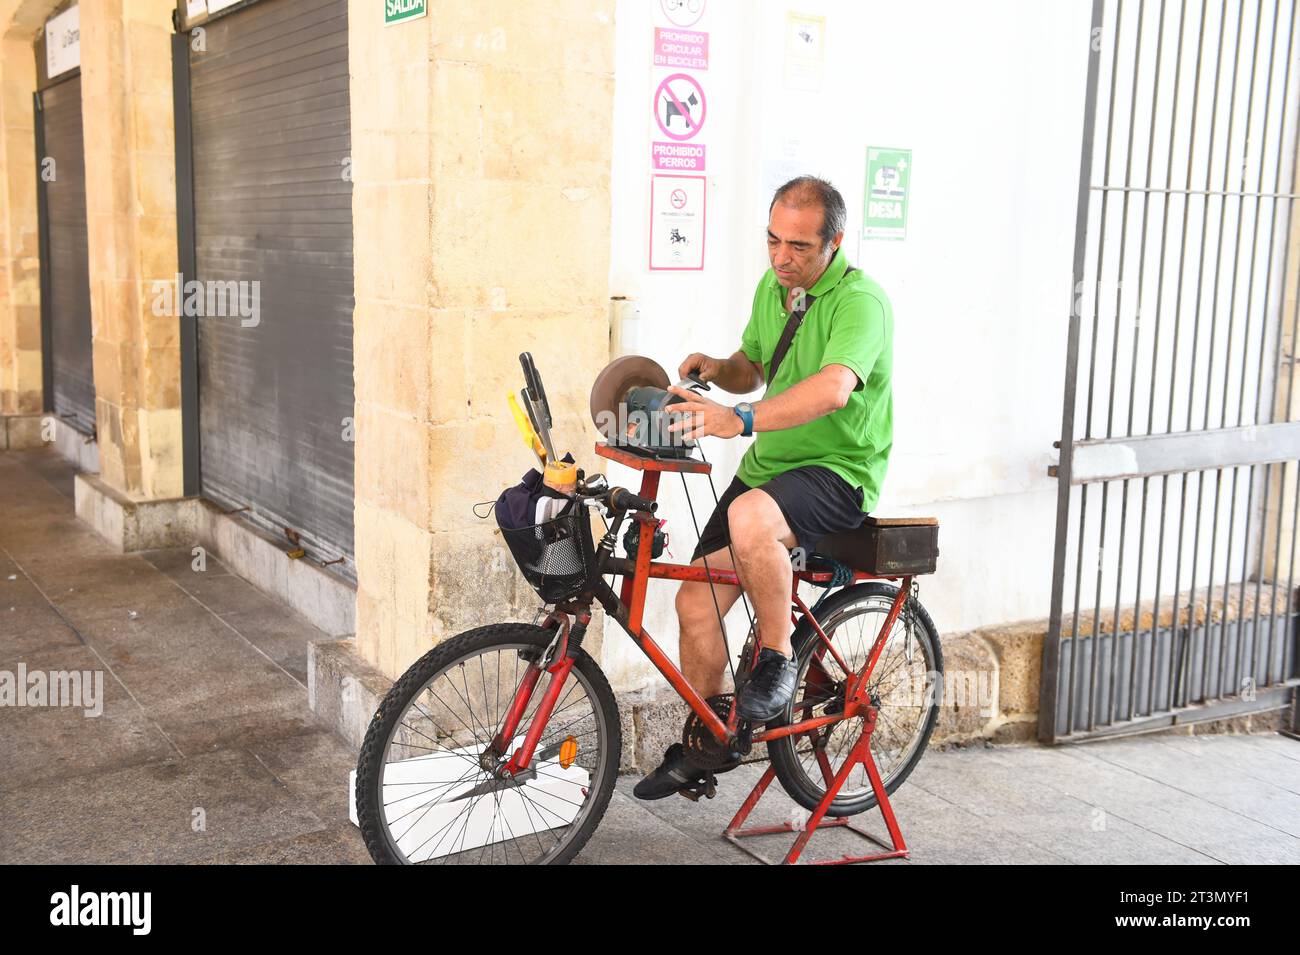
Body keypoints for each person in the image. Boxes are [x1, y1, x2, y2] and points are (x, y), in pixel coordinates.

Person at [633, 175, 895, 800]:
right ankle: (711, 741)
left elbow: (834, 387)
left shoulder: (862, 302)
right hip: (772, 465)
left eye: (799, 246)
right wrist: (717, 371)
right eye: (773, 241)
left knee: (751, 517)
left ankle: (776, 660)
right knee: (695, 606)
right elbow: (755, 366)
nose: (782, 258)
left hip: (838, 470)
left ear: (835, 241)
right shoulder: (776, 287)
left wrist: (741, 418)